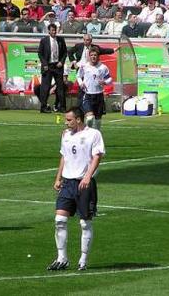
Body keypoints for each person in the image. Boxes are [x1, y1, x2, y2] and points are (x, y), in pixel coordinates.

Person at [47, 106, 105, 271]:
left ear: (78, 119)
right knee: (59, 221)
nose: (66, 123)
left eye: (69, 120)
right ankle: (62, 258)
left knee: (85, 223)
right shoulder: (65, 135)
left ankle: (83, 259)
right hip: (67, 183)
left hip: (84, 183)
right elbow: (64, 157)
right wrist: (58, 178)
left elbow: (97, 156)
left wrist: (87, 176)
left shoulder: (93, 134)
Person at [77, 48, 112, 130]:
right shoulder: (84, 66)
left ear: (98, 56)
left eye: (95, 55)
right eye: (91, 55)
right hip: (88, 95)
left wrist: (105, 82)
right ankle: (87, 134)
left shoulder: (103, 67)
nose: (93, 57)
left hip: (99, 95)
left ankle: (96, 138)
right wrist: (81, 83)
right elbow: (78, 76)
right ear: (89, 56)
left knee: (98, 121)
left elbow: (109, 78)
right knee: (89, 118)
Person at [38, 24, 67, 113]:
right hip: (48, 66)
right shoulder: (44, 41)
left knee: (60, 87)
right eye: (52, 30)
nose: (54, 32)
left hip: (57, 66)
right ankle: (43, 107)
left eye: (55, 30)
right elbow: (40, 53)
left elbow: (65, 52)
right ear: (49, 31)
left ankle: (62, 107)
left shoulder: (61, 40)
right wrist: (45, 64)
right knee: (45, 87)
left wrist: (61, 62)